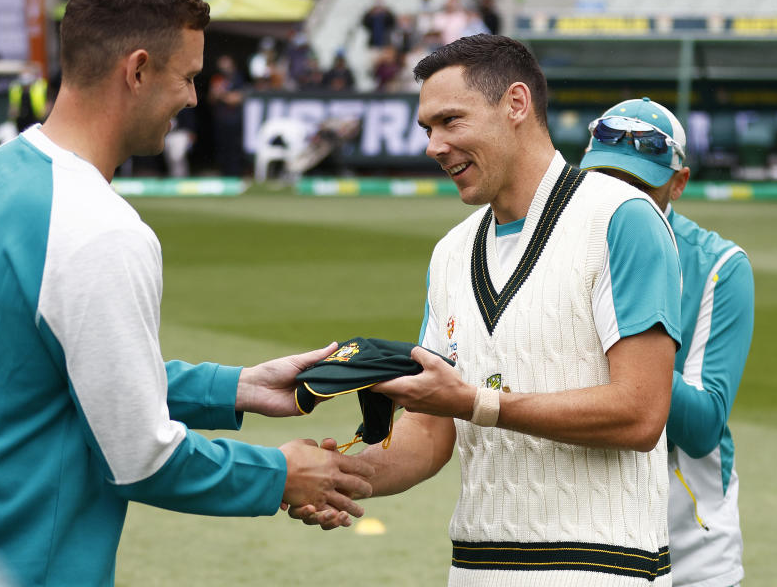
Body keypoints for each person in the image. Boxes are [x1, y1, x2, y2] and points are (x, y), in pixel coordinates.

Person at [0, 0, 373, 587]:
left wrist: (236, 388)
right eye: (187, 77)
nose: (193, 98)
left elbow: (52, 371)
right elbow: (140, 457)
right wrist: (282, 474)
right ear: (136, 70)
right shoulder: (100, 229)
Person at [291, 35, 682, 586]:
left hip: (602, 568)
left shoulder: (620, 218)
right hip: (475, 568)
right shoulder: (451, 251)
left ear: (516, 104)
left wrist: (479, 402)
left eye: (451, 121)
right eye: (427, 128)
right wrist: (340, 476)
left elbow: (641, 412)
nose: (433, 144)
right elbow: (429, 431)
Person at [580, 98, 753, 587]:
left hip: (689, 551)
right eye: (604, 178)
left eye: (638, 185)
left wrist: (631, 340)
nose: (618, 197)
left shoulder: (719, 265)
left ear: (678, 183)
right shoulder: (557, 249)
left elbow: (701, 428)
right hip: (579, 539)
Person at [8, 63, 48, 132]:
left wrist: (44, 112)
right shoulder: (15, 89)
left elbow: (48, 103)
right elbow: (13, 108)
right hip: (21, 122)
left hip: (37, 121)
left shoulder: (40, 86)